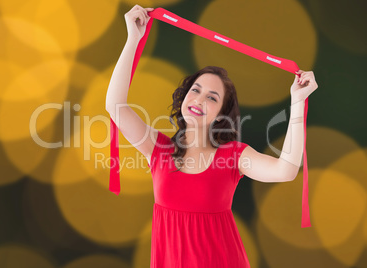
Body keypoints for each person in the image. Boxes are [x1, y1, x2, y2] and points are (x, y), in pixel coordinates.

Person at [105, 4, 318, 268]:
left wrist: (297, 102)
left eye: (212, 97)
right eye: (196, 90)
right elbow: (115, 106)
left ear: (220, 114)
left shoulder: (233, 156)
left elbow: (285, 170)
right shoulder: (159, 149)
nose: (199, 99)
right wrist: (133, 40)